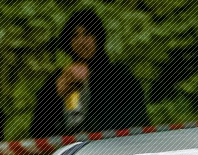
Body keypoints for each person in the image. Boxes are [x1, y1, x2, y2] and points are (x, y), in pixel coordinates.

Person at [28, 8, 149, 138]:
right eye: (75, 36)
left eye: (87, 34)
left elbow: (137, 119)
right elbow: (38, 131)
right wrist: (54, 95)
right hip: (72, 149)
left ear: (98, 37)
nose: (81, 41)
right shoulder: (59, 78)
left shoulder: (118, 75)